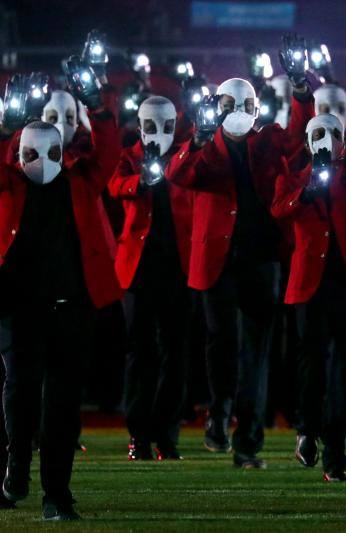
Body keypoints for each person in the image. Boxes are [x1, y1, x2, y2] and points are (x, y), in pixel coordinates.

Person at [166, 34, 314, 468]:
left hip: (261, 257)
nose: (240, 114)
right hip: (217, 259)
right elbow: (178, 174)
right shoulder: (206, 143)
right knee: (221, 344)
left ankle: (247, 439)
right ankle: (220, 415)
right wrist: (199, 137)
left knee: (256, 352)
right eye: (231, 106)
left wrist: (301, 86)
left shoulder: (266, 140)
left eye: (246, 106)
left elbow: (300, 135)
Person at [0, 68, 121, 519]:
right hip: (17, 304)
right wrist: (6, 129)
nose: (40, 158)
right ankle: (15, 463)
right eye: (30, 150)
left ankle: (56, 492)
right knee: (21, 391)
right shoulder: (9, 178)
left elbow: (107, 151)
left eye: (48, 149)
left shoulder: (80, 178)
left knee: (63, 404)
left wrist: (97, 103)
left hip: (70, 305)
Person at [272, 113, 346, 481]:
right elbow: (279, 208)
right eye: (319, 133)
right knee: (310, 365)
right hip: (308, 285)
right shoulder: (293, 177)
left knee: (342, 369)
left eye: (334, 134)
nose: (327, 140)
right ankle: (307, 431)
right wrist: (305, 193)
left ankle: (336, 454)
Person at [108, 96, 193, 461]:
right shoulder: (129, 155)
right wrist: (139, 181)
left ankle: (165, 433)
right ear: (140, 128)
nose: (159, 134)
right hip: (139, 268)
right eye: (151, 127)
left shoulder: (184, 154)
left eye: (167, 126)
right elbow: (115, 185)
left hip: (177, 266)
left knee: (174, 352)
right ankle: (139, 434)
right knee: (140, 351)